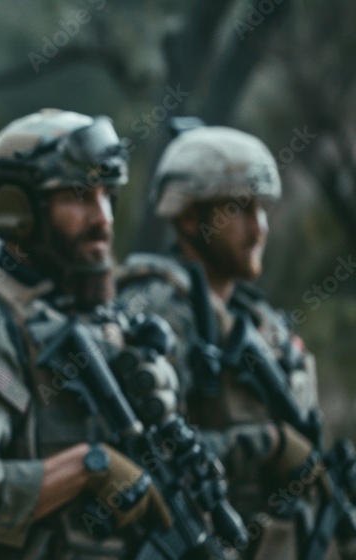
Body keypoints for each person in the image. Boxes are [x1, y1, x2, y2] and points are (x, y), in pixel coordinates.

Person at [0, 109, 217, 558]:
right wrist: (88, 468)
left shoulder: (100, 320)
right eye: (78, 196)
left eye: (107, 195)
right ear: (18, 210)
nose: (102, 219)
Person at [116, 125, 355, 559]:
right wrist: (269, 444)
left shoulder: (260, 321)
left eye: (262, 209)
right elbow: (142, 455)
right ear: (189, 217)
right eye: (239, 209)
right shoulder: (157, 314)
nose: (258, 227)